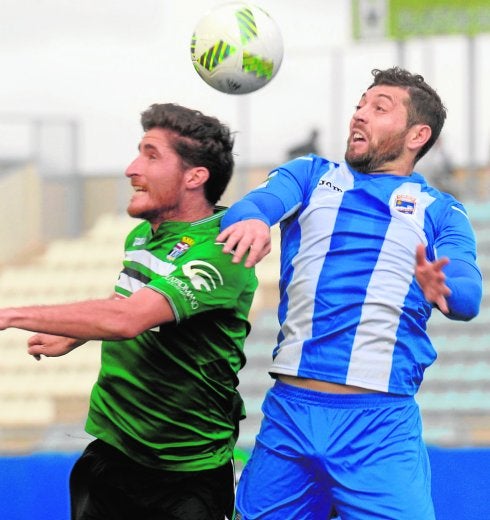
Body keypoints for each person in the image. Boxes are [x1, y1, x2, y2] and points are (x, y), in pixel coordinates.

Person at [216, 67, 482, 519]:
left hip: (378, 425)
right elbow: (251, 207)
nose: (359, 115)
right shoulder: (310, 175)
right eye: (360, 104)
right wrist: (255, 220)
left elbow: (469, 295)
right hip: (290, 417)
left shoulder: (440, 211)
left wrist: (445, 287)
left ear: (418, 134)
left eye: (379, 108)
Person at [0, 103, 258, 520]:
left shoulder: (225, 251)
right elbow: (132, 301)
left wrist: (9, 314)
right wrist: (77, 332)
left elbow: (128, 320)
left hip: (185, 476)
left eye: (151, 155)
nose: (131, 168)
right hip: (112, 454)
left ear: (195, 176)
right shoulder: (142, 235)